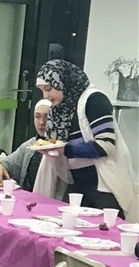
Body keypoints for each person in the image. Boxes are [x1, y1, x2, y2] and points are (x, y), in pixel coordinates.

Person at [35, 59, 137, 219]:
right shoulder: (60, 109)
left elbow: (106, 145)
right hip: (75, 183)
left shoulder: (94, 100)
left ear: (63, 81)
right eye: (42, 90)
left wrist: (66, 149)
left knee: (105, 234)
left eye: (48, 89)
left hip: (102, 185)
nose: (46, 96)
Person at [0, 100, 51, 191]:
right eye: (37, 117)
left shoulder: (63, 148)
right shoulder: (29, 146)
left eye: (47, 117)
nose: (41, 122)